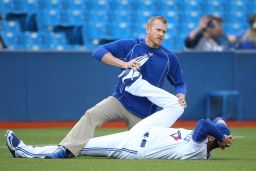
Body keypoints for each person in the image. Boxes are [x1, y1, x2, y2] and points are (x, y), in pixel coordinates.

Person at [40, 16, 187, 159]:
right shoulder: (131, 45)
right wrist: (124, 64)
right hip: (120, 101)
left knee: (141, 152)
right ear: (148, 29)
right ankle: (65, 149)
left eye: (164, 31)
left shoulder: (169, 57)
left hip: (144, 114)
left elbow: (180, 83)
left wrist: (181, 94)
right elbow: (98, 51)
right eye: (158, 30)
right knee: (91, 115)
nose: (161, 34)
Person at [5, 75, 232, 160]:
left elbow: (204, 123)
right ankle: (136, 83)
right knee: (177, 104)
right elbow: (215, 120)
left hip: (134, 147)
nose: (213, 129)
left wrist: (221, 135)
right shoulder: (204, 139)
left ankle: (26, 152)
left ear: (212, 139)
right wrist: (222, 130)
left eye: (215, 134)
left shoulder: (198, 149)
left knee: (78, 147)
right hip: (145, 130)